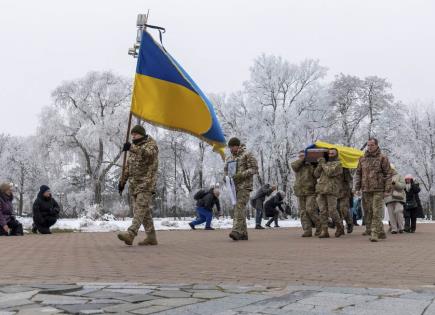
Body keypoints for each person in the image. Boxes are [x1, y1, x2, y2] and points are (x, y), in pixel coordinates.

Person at [117, 125, 159, 246]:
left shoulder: (151, 145)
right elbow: (128, 167)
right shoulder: (133, 147)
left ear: (142, 134)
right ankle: (151, 238)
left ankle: (130, 234)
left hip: (146, 183)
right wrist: (122, 182)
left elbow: (148, 155)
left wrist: (132, 148)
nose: (133, 136)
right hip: (134, 185)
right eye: (132, 135)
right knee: (143, 211)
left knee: (139, 208)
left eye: (135, 134)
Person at [354, 138, 392, 242]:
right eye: (368, 145)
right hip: (366, 189)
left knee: (376, 211)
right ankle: (381, 232)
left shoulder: (382, 158)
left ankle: (374, 233)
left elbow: (388, 174)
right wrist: (357, 188)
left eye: (372, 145)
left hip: (378, 189)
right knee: (368, 212)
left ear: (376, 145)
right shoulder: (362, 158)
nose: (370, 147)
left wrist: (387, 189)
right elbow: (358, 173)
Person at [224, 137, 258, 241]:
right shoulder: (229, 158)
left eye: (233, 146)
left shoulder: (247, 154)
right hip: (233, 188)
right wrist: (225, 178)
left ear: (237, 146)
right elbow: (226, 170)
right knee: (239, 209)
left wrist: (241, 175)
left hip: (244, 186)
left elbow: (254, 168)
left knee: (239, 207)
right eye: (230, 147)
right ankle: (243, 234)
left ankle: (236, 231)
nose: (231, 149)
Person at [314, 148, 344, 238]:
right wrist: (320, 165)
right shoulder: (324, 164)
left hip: (331, 190)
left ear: (336, 154)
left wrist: (323, 163)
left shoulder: (338, 164)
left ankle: (340, 227)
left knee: (332, 211)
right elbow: (316, 174)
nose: (330, 155)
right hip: (321, 189)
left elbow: (330, 172)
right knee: (322, 211)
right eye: (329, 153)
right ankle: (325, 231)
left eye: (332, 153)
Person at [291, 150, 321, 237]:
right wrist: (302, 160)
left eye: (303, 156)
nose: (301, 157)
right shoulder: (297, 164)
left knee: (310, 210)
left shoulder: (311, 164)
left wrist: (315, 164)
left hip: (310, 191)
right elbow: (294, 166)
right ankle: (307, 230)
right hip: (300, 191)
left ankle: (319, 226)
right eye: (300, 156)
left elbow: (316, 175)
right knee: (303, 212)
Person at [384, 165, 405, 234]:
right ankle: (394, 229)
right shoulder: (385, 177)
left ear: (393, 169)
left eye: (391, 169)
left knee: (398, 211)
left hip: (398, 197)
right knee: (391, 214)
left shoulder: (399, 176)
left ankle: (401, 227)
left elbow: (403, 186)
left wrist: (395, 183)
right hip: (388, 198)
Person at [337, 168, 354, 234]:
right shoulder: (330, 164)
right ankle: (340, 228)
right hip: (334, 191)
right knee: (337, 211)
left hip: (344, 192)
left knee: (344, 209)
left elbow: (349, 179)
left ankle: (349, 223)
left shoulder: (344, 168)